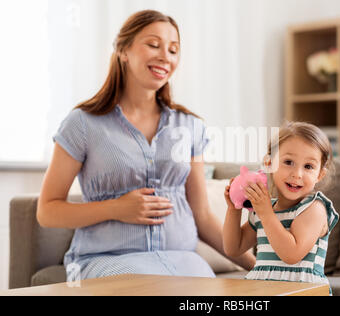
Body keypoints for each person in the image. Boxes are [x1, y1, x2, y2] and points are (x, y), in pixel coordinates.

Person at [37, 10, 255, 281]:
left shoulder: (189, 126)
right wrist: (115, 208)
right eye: (153, 45)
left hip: (183, 260)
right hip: (107, 259)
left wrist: (258, 267)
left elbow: (202, 214)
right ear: (123, 50)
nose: (165, 56)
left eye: (173, 50)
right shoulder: (83, 123)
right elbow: (47, 210)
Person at [223, 121, 339, 294]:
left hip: (303, 292)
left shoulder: (315, 208)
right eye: (288, 162)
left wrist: (265, 213)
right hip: (263, 290)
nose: (297, 174)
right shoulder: (265, 209)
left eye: (308, 166)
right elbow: (233, 248)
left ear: (320, 175)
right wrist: (234, 210)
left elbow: (291, 254)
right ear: (269, 163)